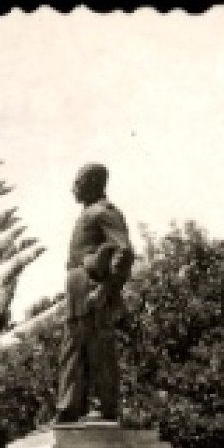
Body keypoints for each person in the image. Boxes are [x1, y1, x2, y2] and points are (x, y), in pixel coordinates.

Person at [55, 163, 134, 424]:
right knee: (73, 347)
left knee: (99, 349)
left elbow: (124, 251)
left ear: (92, 183)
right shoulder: (88, 213)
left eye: (78, 183)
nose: (73, 189)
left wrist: (106, 289)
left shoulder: (104, 213)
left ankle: (107, 406)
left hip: (93, 289)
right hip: (78, 289)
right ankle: (69, 407)